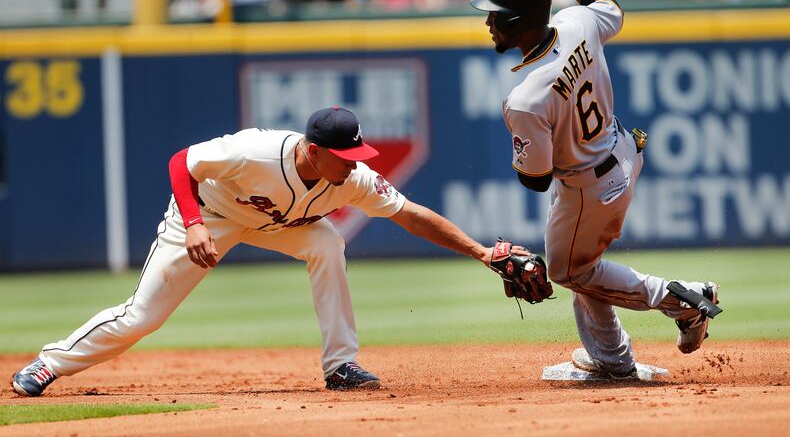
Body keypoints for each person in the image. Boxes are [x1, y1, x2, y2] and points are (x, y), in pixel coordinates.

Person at [11, 106, 510, 396]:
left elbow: (410, 214)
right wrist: (192, 225)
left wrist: (480, 252)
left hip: (278, 224)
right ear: (313, 151)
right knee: (143, 316)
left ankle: (341, 366)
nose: (355, 165)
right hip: (211, 215)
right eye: (345, 156)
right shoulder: (253, 151)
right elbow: (183, 162)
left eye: (357, 154)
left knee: (327, 243)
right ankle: (48, 364)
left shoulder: (353, 179)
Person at [470, 0, 721, 378]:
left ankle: (683, 298)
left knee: (570, 271)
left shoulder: (525, 100)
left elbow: (534, 179)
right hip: (620, 150)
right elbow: (610, 7)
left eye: (494, 14)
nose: (488, 21)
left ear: (516, 19)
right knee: (581, 263)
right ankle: (612, 358)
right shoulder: (577, 20)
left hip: (590, 187)